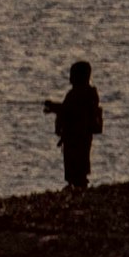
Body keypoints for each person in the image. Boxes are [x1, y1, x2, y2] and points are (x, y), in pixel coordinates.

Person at [43, 61, 104, 189]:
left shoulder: (76, 94)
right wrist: (53, 107)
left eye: (72, 75)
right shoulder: (89, 94)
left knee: (74, 161)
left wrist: (52, 107)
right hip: (84, 135)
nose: (70, 78)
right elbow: (69, 109)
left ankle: (77, 184)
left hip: (75, 136)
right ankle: (77, 183)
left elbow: (68, 110)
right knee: (80, 160)